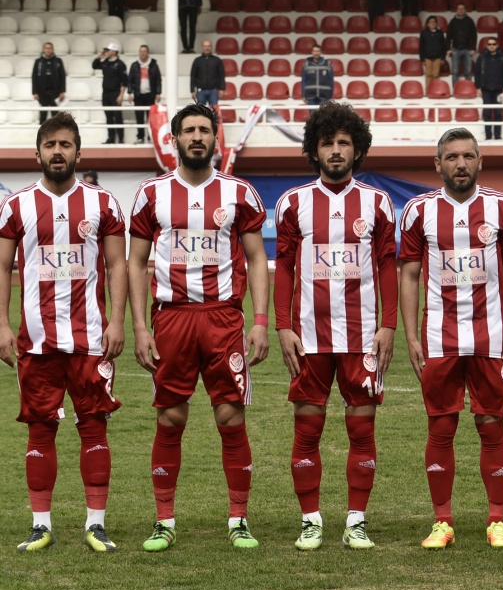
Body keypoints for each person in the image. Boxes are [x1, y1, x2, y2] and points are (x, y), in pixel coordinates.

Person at [127, 103, 271, 551]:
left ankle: (238, 518)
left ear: (215, 139)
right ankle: (164, 520)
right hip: (171, 318)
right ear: (174, 139)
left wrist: (261, 320)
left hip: (223, 317)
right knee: (170, 417)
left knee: (230, 416)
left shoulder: (238, 193)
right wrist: (140, 328)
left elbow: (257, 258)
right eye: (188, 130)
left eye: (204, 130)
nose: (196, 137)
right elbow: (134, 262)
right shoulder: (151, 194)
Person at [0, 113, 127, 554]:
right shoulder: (16, 205)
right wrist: (1, 323)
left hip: (91, 339)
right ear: (37, 153)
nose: (58, 152)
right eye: (50, 144)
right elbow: (2, 266)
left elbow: (116, 266)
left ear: (78, 152)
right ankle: (40, 525)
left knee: (94, 427)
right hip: (35, 340)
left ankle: (96, 523)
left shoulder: (103, 203)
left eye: (66, 144)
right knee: (40, 430)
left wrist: (116, 321)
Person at [274, 103, 396, 550]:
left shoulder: (377, 202)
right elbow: (283, 267)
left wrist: (388, 325)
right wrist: (284, 326)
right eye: (328, 142)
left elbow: (387, 266)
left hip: (362, 336)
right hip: (308, 337)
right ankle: (310, 519)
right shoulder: (294, 202)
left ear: (357, 149)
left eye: (344, 142)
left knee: (361, 429)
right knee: (307, 429)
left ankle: (356, 520)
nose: (336, 150)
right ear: (315, 150)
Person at [400, 128, 503, 549]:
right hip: (438, 337)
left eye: (468, 156)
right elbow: (411, 275)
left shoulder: (502, 207)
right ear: (438, 164)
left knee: (491, 424)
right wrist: (411, 336)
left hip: (490, 337)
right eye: (451, 157)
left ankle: (497, 522)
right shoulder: (418, 211)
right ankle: (442, 523)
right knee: (441, 427)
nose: (460, 164)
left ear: (480, 161)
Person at [476, 37, 503, 141]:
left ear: (497, 45)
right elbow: (477, 73)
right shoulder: (481, 58)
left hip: (498, 89)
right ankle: (487, 136)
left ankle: (497, 136)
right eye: (489, 44)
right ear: (487, 46)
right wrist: (478, 87)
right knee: (487, 113)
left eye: (494, 44)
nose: (492, 46)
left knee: (498, 114)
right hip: (486, 89)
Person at [92, 43, 127, 145]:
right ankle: (110, 138)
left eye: (109, 50)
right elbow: (94, 66)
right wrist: (99, 57)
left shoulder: (120, 64)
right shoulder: (106, 62)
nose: (106, 52)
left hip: (115, 93)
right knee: (109, 117)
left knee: (117, 116)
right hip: (106, 93)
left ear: (114, 51)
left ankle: (120, 139)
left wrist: (121, 95)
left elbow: (124, 81)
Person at [128, 44, 159, 143]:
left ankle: (150, 137)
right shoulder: (134, 65)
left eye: (144, 51)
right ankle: (140, 137)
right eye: (141, 51)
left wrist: (158, 92)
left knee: (150, 118)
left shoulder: (153, 65)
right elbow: (130, 80)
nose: (142, 53)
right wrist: (130, 93)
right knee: (139, 117)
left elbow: (158, 80)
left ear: (147, 52)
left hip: (150, 94)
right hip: (138, 95)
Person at [31, 41, 66, 122]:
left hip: (55, 92)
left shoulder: (58, 61)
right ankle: (41, 134)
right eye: (46, 48)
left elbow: (62, 77)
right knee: (43, 115)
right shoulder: (38, 62)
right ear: (43, 49)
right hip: (42, 93)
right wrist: (35, 92)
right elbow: (34, 77)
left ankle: (56, 134)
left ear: (53, 49)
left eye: (50, 48)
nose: (48, 50)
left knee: (56, 116)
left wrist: (62, 91)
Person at [190, 39, 225, 109]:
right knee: (200, 111)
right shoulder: (197, 61)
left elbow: (221, 75)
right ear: (202, 47)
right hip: (200, 91)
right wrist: (192, 90)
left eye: (208, 46)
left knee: (214, 112)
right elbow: (193, 76)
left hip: (214, 91)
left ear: (211, 47)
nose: (207, 48)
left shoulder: (217, 60)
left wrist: (222, 88)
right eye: (205, 46)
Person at [447, 3, 477, 84]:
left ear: (465, 10)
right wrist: (448, 49)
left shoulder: (470, 21)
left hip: (467, 50)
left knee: (468, 71)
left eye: (462, 9)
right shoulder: (452, 22)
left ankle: (468, 89)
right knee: (455, 72)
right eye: (459, 9)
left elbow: (474, 36)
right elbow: (448, 36)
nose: (461, 10)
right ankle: (455, 90)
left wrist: (473, 48)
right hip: (456, 50)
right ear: (456, 10)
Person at [418, 15, 447, 85]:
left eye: (434, 22)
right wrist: (422, 59)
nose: (432, 23)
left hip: (437, 57)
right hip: (427, 58)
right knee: (428, 75)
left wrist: (443, 58)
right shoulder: (424, 33)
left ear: (436, 23)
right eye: (430, 22)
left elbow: (443, 46)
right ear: (427, 24)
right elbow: (421, 46)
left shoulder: (440, 33)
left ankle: (435, 90)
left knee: (436, 75)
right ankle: (428, 91)